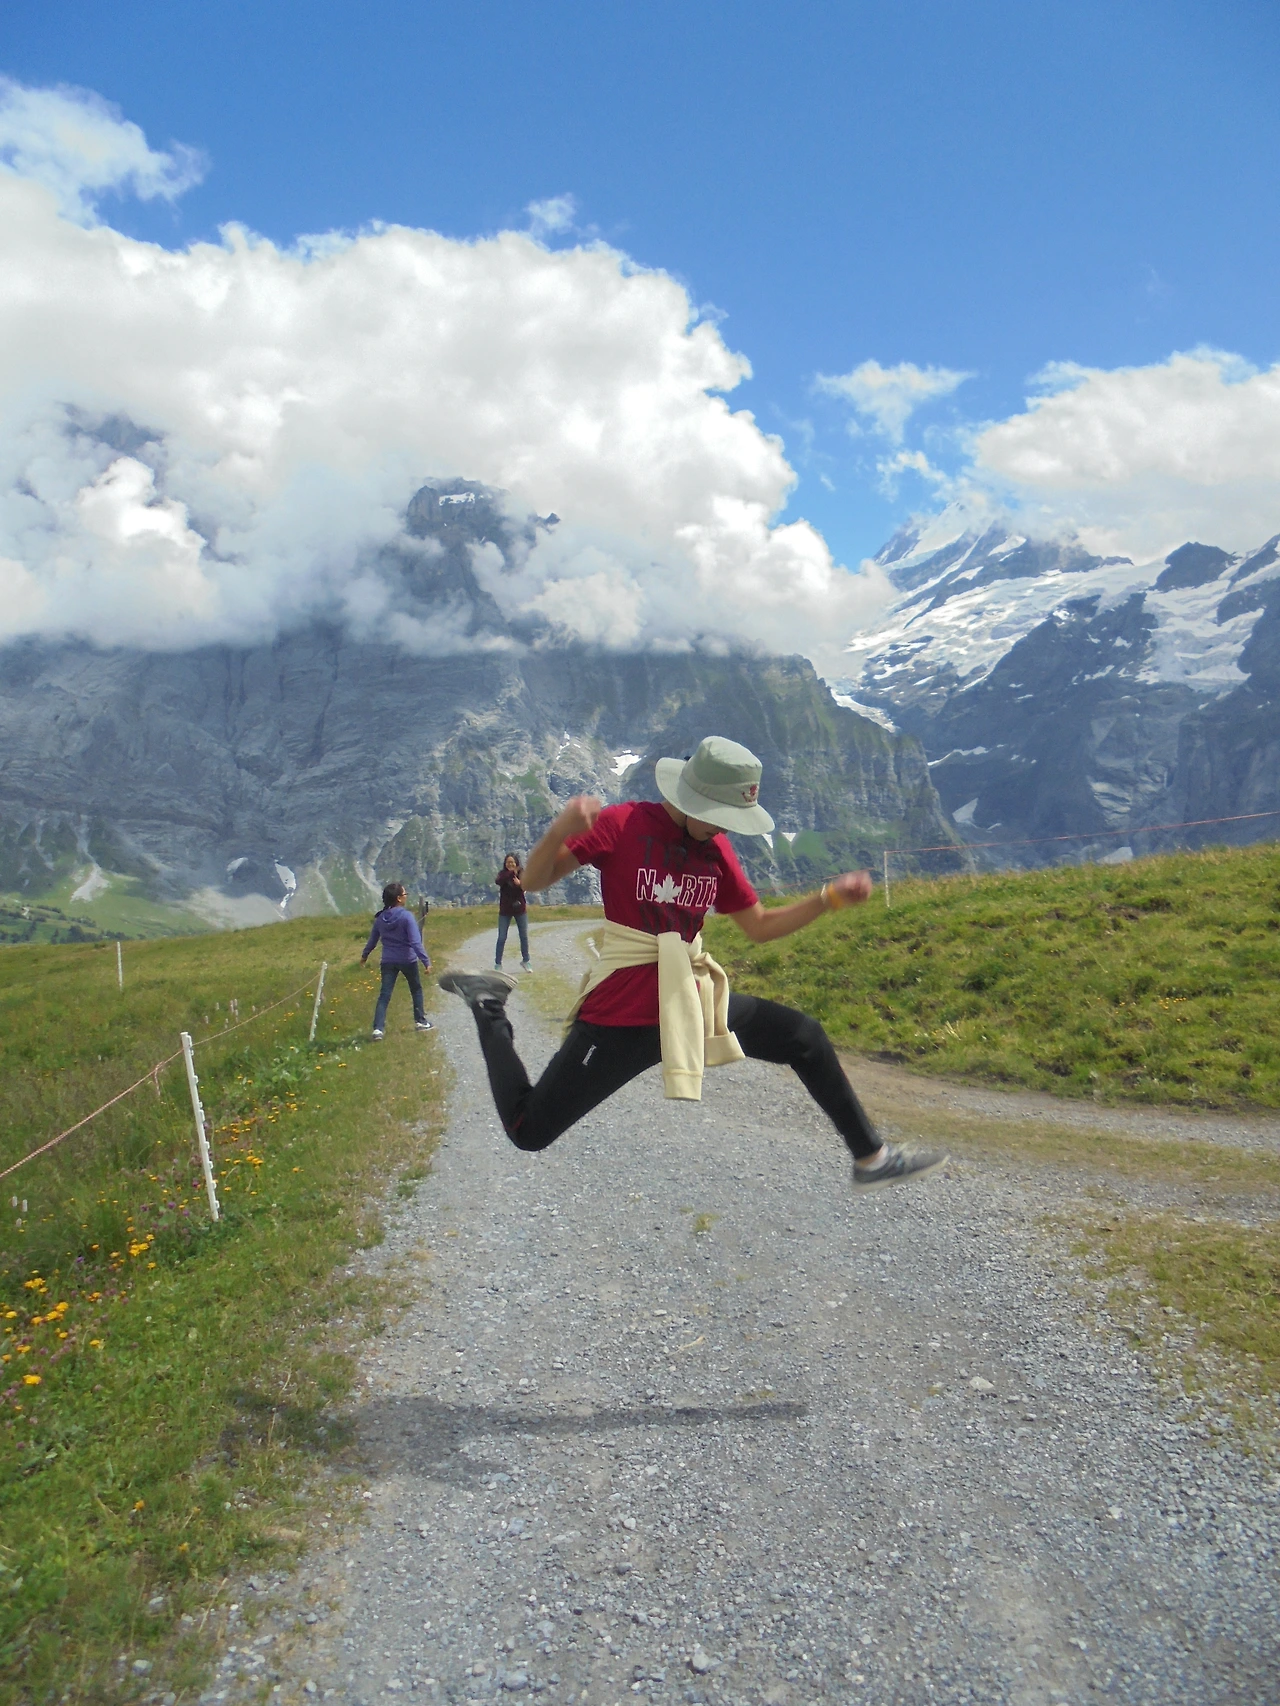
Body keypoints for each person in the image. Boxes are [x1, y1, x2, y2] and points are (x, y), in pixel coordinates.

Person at [440, 736, 945, 1187]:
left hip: (690, 997)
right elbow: (531, 881)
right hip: (623, 1015)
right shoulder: (624, 824)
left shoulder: (716, 848)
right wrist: (561, 829)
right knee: (530, 1131)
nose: (728, 828)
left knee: (803, 1036)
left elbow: (759, 927)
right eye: (722, 815)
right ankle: (488, 1005)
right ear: (691, 798)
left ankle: (871, 1157)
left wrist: (826, 899)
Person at [361, 882, 434, 1039]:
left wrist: (364, 955)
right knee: (416, 989)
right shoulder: (407, 917)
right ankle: (420, 1021)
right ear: (399, 898)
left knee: (385, 994)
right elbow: (415, 942)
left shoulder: (380, 918)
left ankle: (378, 1029)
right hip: (408, 959)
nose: (406, 897)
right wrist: (426, 961)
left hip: (387, 960)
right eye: (405, 894)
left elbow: (372, 940)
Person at [495, 852, 532, 973]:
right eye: (508, 862)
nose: (510, 864)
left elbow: (527, 885)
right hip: (505, 911)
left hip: (520, 909)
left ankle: (526, 961)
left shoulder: (521, 873)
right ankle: (498, 964)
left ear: (516, 863)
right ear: (505, 864)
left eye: (512, 862)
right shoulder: (503, 874)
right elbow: (498, 881)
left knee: (524, 935)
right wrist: (511, 873)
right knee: (502, 937)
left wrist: (520, 884)